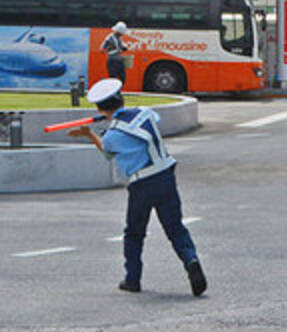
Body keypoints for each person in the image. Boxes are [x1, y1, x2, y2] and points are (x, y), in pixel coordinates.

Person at [69, 78, 207, 297]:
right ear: (121, 99)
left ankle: (132, 279)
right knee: (175, 228)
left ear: (99, 108)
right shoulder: (145, 113)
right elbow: (144, 118)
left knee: (134, 233)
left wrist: (89, 134)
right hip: (166, 175)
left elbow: (106, 151)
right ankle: (191, 260)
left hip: (142, 183)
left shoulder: (113, 136)